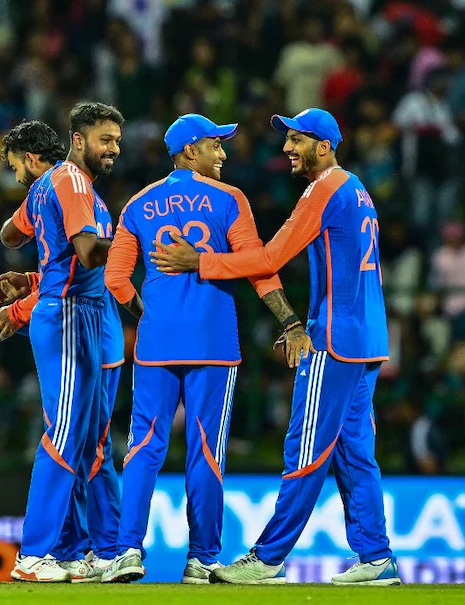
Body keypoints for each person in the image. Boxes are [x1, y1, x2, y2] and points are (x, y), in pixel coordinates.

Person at [151, 108, 400, 586]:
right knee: (355, 451)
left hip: (333, 339)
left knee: (305, 450)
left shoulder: (324, 189)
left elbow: (269, 258)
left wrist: (200, 261)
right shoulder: (355, 188)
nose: (287, 148)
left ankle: (267, 558)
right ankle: (376, 555)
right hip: (367, 337)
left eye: (296, 140)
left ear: (323, 146)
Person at [100, 114, 311, 584]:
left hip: (156, 343)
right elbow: (258, 266)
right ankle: (202, 558)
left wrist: (149, 313)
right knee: (206, 452)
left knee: (143, 447)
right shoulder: (230, 198)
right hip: (213, 343)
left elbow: (115, 279)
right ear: (190, 150)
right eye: (216, 145)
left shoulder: (137, 203)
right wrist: (290, 321)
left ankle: (127, 550)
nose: (223, 153)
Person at [0, 103, 124, 583]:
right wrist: (133, 241)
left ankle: (74, 550)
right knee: (66, 435)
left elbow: (10, 235)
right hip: (69, 315)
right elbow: (86, 254)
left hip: (77, 313)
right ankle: (34, 553)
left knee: (84, 441)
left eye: (117, 141)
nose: (114, 149)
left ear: (29, 159)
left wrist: (34, 262)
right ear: (78, 140)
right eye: (106, 139)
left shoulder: (60, 186)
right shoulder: (71, 181)